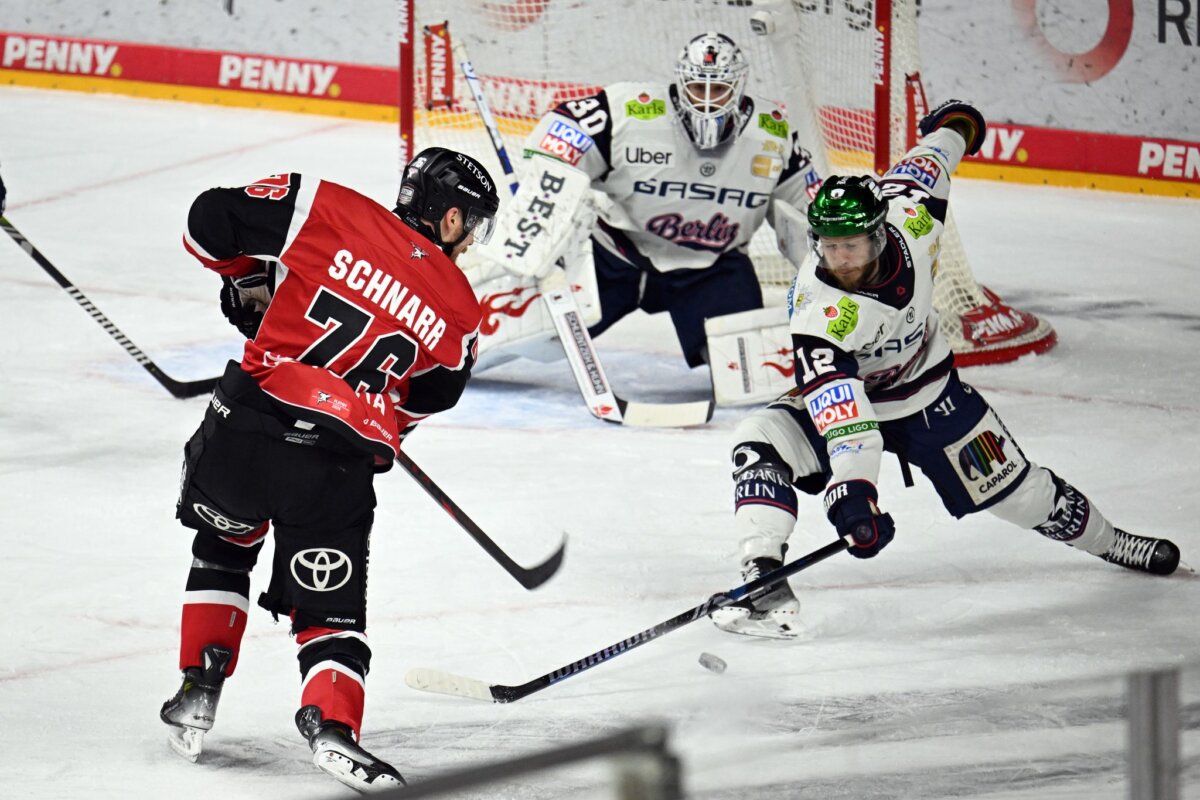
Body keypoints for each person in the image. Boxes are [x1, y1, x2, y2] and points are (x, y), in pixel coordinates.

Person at [710, 100, 1181, 640]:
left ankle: (1113, 542)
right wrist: (856, 494)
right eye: (830, 246)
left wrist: (958, 126)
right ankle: (763, 575)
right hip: (855, 404)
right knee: (758, 440)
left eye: (852, 245)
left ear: (880, 234)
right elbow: (849, 425)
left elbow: (933, 156)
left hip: (929, 398)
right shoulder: (819, 317)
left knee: (1023, 496)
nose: (839, 259)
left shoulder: (911, 214)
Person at [159, 148, 499, 789]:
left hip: (249, 423)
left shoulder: (326, 206)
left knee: (224, 547)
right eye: (472, 225)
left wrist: (246, 279)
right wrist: (376, 417)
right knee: (330, 616)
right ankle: (334, 728)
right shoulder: (461, 309)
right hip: (336, 460)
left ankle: (199, 686)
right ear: (451, 219)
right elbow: (429, 398)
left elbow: (206, 222)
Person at [473, 31, 822, 369]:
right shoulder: (631, 111)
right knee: (519, 334)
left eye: (719, 89)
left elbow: (809, 214)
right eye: (698, 87)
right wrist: (546, 193)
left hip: (711, 269)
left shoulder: (771, 135)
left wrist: (830, 277)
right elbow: (562, 131)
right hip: (614, 254)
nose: (707, 100)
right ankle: (457, 359)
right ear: (681, 83)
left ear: (738, 88)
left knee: (746, 371)